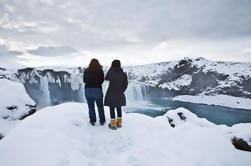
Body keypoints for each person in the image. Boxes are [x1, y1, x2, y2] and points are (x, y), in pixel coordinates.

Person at [104, 60, 128, 130]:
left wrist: (110, 69)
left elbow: (106, 78)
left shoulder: (111, 73)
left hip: (111, 93)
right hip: (120, 93)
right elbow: (125, 84)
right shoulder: (124, 74)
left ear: (112, 65)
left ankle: (113, 124)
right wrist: (121, 91)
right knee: (119, 108)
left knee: (112, 108)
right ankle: (119, 123)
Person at [84, 59, 106, 126]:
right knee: (100, 106)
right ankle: (102, 121)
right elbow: (102, 80)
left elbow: (84, 80)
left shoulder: (86, 71)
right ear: (98, 63)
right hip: (97, 90)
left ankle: (92, 121)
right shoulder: (100, 70)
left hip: (88, 90)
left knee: (91, 107)